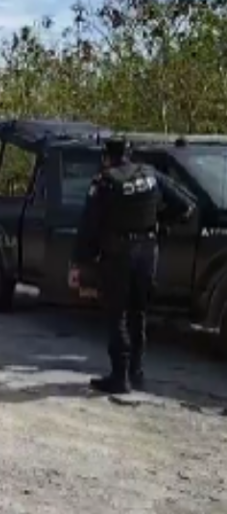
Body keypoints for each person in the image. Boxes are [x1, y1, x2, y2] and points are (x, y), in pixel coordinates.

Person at [68, 137, 195, 394]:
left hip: (117, 254)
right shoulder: (149, 175)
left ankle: (119, 377)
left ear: (107, 156)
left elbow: (88, 225)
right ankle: (136, 372)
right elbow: (187, 206)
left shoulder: (104, 182)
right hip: (148, 251)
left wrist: (81, 260)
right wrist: (161, 224)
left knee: (118, 314)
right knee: (139, 312)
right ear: (130, 154)